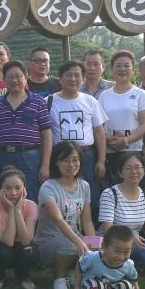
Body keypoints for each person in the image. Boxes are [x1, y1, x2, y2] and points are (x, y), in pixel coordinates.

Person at [34, 142, 97, 289]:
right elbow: (58, 219)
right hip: (48, 242)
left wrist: (93, 243)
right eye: (66, 160)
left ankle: (72, 270)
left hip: (73, 238)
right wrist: (79, 241)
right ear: (56, 162)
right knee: (71, 244)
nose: (71, 164)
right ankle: (59, 278)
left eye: (75, 159)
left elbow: (87, 220)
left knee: (95, 243)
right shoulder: (48, 187)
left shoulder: (84, 186)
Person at [0, 60, 52, 201]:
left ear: (26, 77)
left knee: (30, 197)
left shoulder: (38, 102)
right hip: (3, 157)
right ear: (4, 79)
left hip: (30, 157)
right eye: (10, 77)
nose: (14, 80)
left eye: (18, 76)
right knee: (5, 197)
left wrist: (45, 165)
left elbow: (46, 134)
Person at [47, 60, 107, 195]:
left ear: (82, 78)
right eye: (68, 75)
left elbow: (99, 132)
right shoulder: (48, 102)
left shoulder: (90, 101)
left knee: (89, 194)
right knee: (61, 193)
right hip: (60, 156)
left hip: (87, 156)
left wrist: (101, 161)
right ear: (60, 79)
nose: (73, 79)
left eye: (77, 75)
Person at [0, 166, 38, 289]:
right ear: (1, 189)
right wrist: (11, 210)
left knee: (29, 250)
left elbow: (26, 240)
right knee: (3, 251)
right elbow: (8, 241)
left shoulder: (31, 206)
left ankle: (23, 276)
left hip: (18, 247)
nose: (13, 193)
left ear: (24, 189)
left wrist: (18, 211)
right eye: (8, 188)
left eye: (18, 188)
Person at [98, 152, 145, 266]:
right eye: (128, 168)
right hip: (112, 242)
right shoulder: (110, 193)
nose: (134, 171)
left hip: (136, 244)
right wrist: (131, 238)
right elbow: (108, 228)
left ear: (143, 171)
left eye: (138, 167)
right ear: (120, 173)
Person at [99, 50, 145, 180]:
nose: (122, 69)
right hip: (110, 151)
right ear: (112, 70)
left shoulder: (140, 94)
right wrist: (107, 139)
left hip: (133, 150)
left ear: (133, 70)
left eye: (127, 66)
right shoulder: (104, 95)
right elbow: (99, 125)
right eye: (118, 66)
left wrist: (126, 140)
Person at [74, 225, 142, 289]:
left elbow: (133, 278)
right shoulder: (92, 258)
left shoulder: (128, 264)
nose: (121, 257)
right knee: (93, 285)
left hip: (112, 287)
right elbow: (80, 265)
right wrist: (76, 285)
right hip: (94, 287)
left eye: (126, 252)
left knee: (127, 285)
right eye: (117, 251)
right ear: (104, 246)